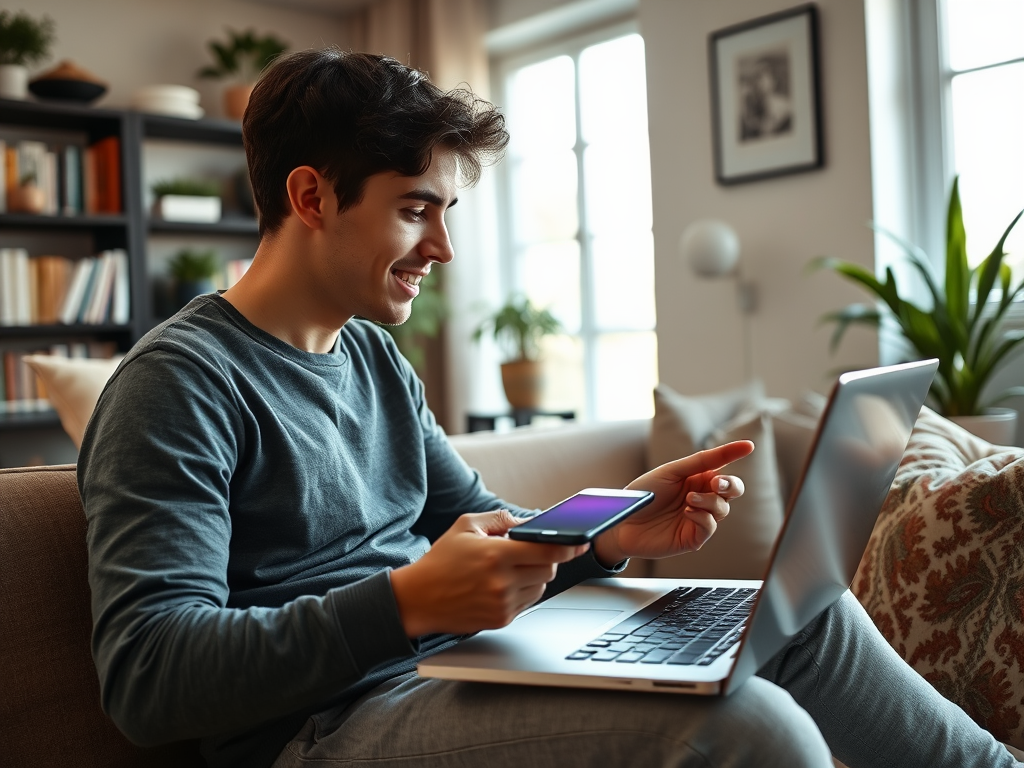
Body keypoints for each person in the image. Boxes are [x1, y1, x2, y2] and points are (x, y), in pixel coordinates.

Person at [78, 48, 1020, 768]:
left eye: (447, 211)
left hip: (459, 664)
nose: (441, 247)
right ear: (311, 196)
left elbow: (493, 543)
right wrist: (402, 603)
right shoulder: (177, 386)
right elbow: (149, 675)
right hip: (328, 730)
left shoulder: (370, 357)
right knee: (742, 728)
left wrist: (611, 531)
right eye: (416, 208)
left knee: (803, 617)